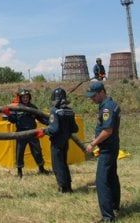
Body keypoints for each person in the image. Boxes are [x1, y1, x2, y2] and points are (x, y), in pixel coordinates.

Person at [86, 82, 121, 222]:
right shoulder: (111, 105)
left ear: (101, 92)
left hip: (107, 149)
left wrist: (93, 143)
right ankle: (114, 206)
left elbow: (108, 131)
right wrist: (97, 136)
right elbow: (105, 128)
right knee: (112, 176)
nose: (92, 99)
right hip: (111, 146)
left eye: (93, 96)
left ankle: (107, 217)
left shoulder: (107, 108)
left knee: (102, 181)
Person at [35, 88, 78, 193]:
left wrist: (44, 131)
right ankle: (68, 186)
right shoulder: (70, 111)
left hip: (57, 142)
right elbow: (75, 128)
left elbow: (54, 129)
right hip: (65, 142)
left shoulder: (55, 111)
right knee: (63, 163)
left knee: (57, 165)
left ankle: (62, 188)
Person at [2, 88, 50, 178]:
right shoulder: (16, 108)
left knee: (37, 151)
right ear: (20, 98)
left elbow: (40, 118)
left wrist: (49, 122)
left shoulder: (33, 107)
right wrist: (8, 114)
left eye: (27, 97)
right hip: (21, 133)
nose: (25, 98)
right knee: (19, 152)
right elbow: (13, 120)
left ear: (29, 97)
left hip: (32, 132)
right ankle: (19, 172)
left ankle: (41, 169)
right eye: (23, 97)